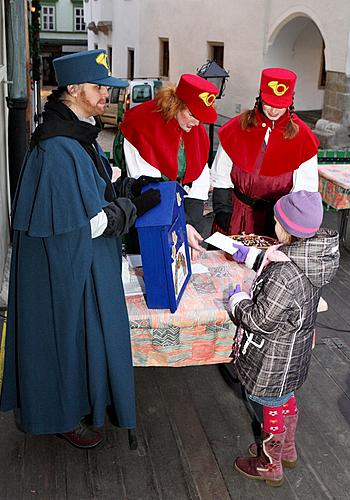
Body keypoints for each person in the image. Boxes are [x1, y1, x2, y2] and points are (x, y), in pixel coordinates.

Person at [0, 49, 161, 448]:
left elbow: (93, 190)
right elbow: (88, 224)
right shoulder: (57, 148)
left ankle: (86, 403)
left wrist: (125, 189)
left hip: (80, 263)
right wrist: (131, 208)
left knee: (83, 338)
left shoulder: (79, 130)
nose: (107, 94)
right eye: (99, 87)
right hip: (61, 267)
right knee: (61, 341)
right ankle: (60, 415)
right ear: (73, 89)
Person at [227, 190, 339, 486]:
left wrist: (237, 300)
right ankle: (286, 449)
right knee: (285, 397)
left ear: (284, 227)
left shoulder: (285, 274)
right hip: (294, 352)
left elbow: (260, 319)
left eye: (276, 219)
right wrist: (264, 258)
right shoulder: (310, 259)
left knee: (271, 404)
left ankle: (269, 463)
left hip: (273, 357)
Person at [118, 74, 218, 259]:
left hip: (177, 206)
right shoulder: (141, 125)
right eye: (192, 114)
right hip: (145, 209)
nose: (196, 123)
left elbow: (199, 179)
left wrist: (192, 226)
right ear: (176, 104)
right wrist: (183, 225)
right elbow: (150, 187)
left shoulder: (196, 130)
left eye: (201, 117)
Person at [211, 67, 320, 238]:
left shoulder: (303, 137)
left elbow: (305, 190)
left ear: (290, 102)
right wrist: (223, 210)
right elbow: (221, 173)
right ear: (260, 98)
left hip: (279, 221)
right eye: (269, 103)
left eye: (280, 105)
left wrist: (288, 226)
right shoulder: (238, 127)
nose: (274, 110)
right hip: (237, 215)